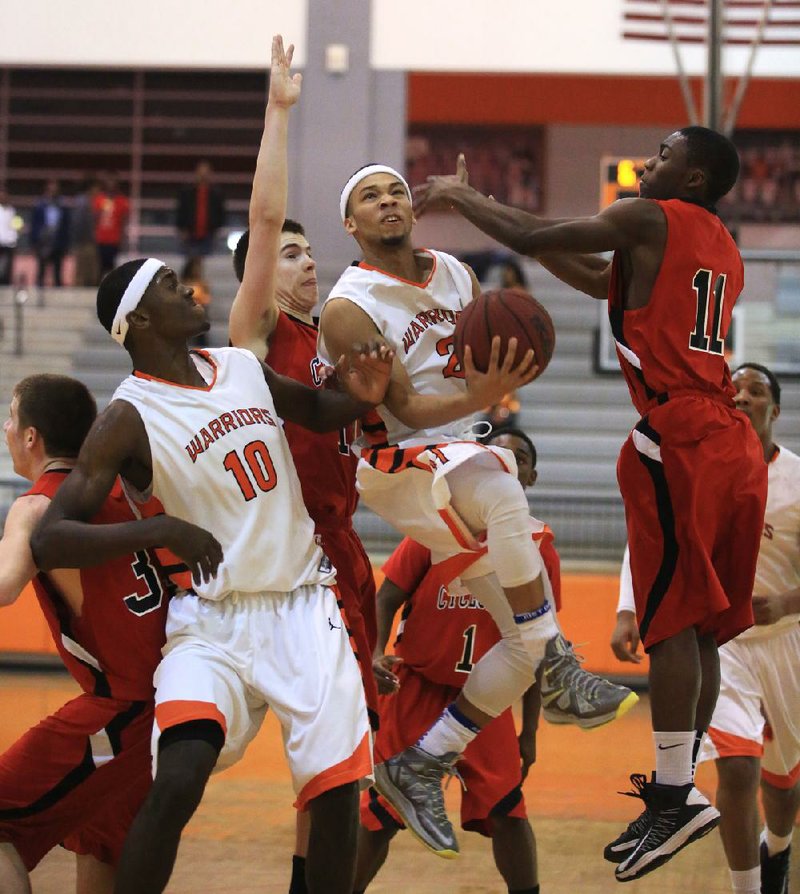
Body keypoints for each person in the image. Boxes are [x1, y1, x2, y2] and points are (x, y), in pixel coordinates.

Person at [414, 127, 768, 881]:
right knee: (701, 628)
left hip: (682, 435)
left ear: (696, 177)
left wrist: (459, 198)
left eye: (667, 153)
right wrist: (536, 249)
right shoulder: (717, 245)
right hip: (729, 442)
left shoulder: (649, 218)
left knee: (671, 623)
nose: (651, 162)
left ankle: (674, 798)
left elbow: (541, 232)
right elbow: (585, 269)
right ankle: (681, 788)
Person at [317, 162, 630, 861]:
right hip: (399, 464)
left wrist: (497, 373)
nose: (389, 200)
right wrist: (483, 395)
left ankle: (421, 764)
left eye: (396, 189)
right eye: (370, 195)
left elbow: (480, 354)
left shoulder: (456, 273)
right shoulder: (349, 306)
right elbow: (404, 408)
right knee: (502, 479)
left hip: (459, 451)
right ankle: (561, 667)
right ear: (351, 223)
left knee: (517, 641)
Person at [356, 427, 636, 894]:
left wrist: (529, 733)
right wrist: (377, 652)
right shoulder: (434, 528)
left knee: (508, 809)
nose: (506, 457)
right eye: (498, 449)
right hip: (419, 684)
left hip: (484, 698)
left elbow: (526, 654)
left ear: (531, 474)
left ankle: (557, 675)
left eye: (519, 455)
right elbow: (387, 596)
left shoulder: (540, 543)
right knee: (380, 816)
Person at [227, 43, 379, 894]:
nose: (306, 262)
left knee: (337, 764)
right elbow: (263, 217)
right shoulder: (257, 335)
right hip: (277, 563)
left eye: (309, 253)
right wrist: (280, 115)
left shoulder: (334, 342)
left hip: (341, 553)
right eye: (291, 254)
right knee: (211, 749)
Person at [613, 362, 800, 894]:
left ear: (776, 410)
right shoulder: (700, 464)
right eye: (735, 386)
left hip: (787, 639)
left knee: (783, 784)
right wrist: (628, 606)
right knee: (738, 770)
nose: (741, 395)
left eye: (756, 390)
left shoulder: (796, 478)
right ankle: (750, 888)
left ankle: (778, 849)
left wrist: (784, 602)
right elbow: (656, 540)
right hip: (725, 641)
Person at [0, 374, 171, 894]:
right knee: (101, 846)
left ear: (31, 437)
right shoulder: (132, 492)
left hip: (121, 707)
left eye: (11, 417)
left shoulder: (35, 507)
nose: (6, 428)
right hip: (174, 704)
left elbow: (5, 586)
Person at [176, 160, 226, 258]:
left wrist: (216, 230)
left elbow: (221, 214)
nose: (203, 175)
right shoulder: (187, 193)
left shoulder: (216, 194)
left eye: (206, 172)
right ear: (196, 173)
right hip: (189, 235)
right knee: (189, 263)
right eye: (201, 172)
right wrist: (182, 229)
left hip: (209, 235)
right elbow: (181, 212)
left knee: (207, 265)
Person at [30, 179, 70, 287]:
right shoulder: (40, 206)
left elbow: (66, 227)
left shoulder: (62, 207)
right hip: (43, 242)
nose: (52, 192)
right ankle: (39, 294)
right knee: (41, 270)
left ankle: (57, 294)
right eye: (50, 190)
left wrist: (65, 245)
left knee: (57, 271)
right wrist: (34, 242)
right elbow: (35, 225)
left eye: (55, 190)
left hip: (57, 242)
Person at [93, 174, 129, 277]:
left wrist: (123, 238)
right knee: (100, 265)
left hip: (114, 239)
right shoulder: (99, 199)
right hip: (101, 238)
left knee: (113, 266)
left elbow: (124, 221)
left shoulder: (122, 201)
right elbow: (95, 219)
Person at [72, 178, 102, 288]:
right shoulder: (83, 202)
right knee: (84, 269)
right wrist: (83, 239)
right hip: (85, 241)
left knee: (91, 270)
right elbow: (79, 223)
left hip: (91, 240)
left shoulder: (93, 201)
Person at [0, 186, 19, 286]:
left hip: (8, 243)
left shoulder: (12, 210)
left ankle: (5, 286)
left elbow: (15, 226)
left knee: (6, 268)